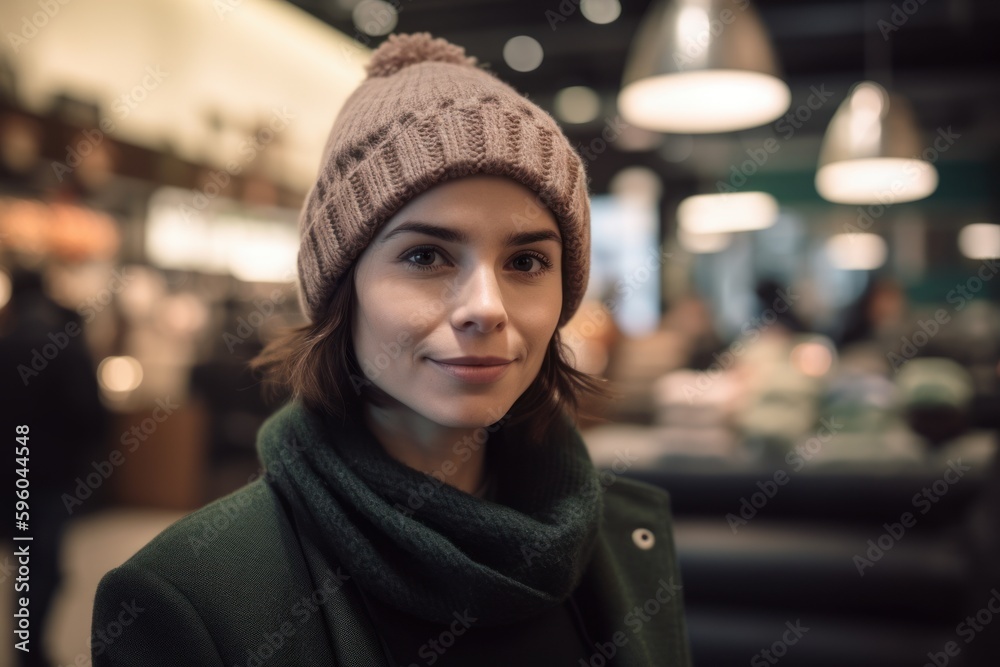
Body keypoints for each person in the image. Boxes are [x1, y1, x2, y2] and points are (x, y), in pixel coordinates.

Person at [91, 32, 692, 666]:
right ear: (340, 290)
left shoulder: (628, 538)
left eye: (526, 260)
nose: (486, 307)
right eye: (425, 256)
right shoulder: (191, 599)